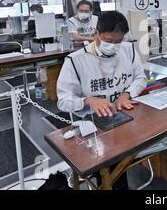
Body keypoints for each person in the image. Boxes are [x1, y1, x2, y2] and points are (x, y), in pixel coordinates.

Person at [57, 11, 147, 190]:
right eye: (108, 40)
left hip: (126, 117)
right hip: (95, 126)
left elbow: (140, 78)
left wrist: (127, 94)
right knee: (111, 166)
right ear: (95, 34)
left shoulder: (128, 50)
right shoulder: (76, 61)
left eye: (118, 41)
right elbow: (63, 101)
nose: (113, 46)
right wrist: (89, 101)